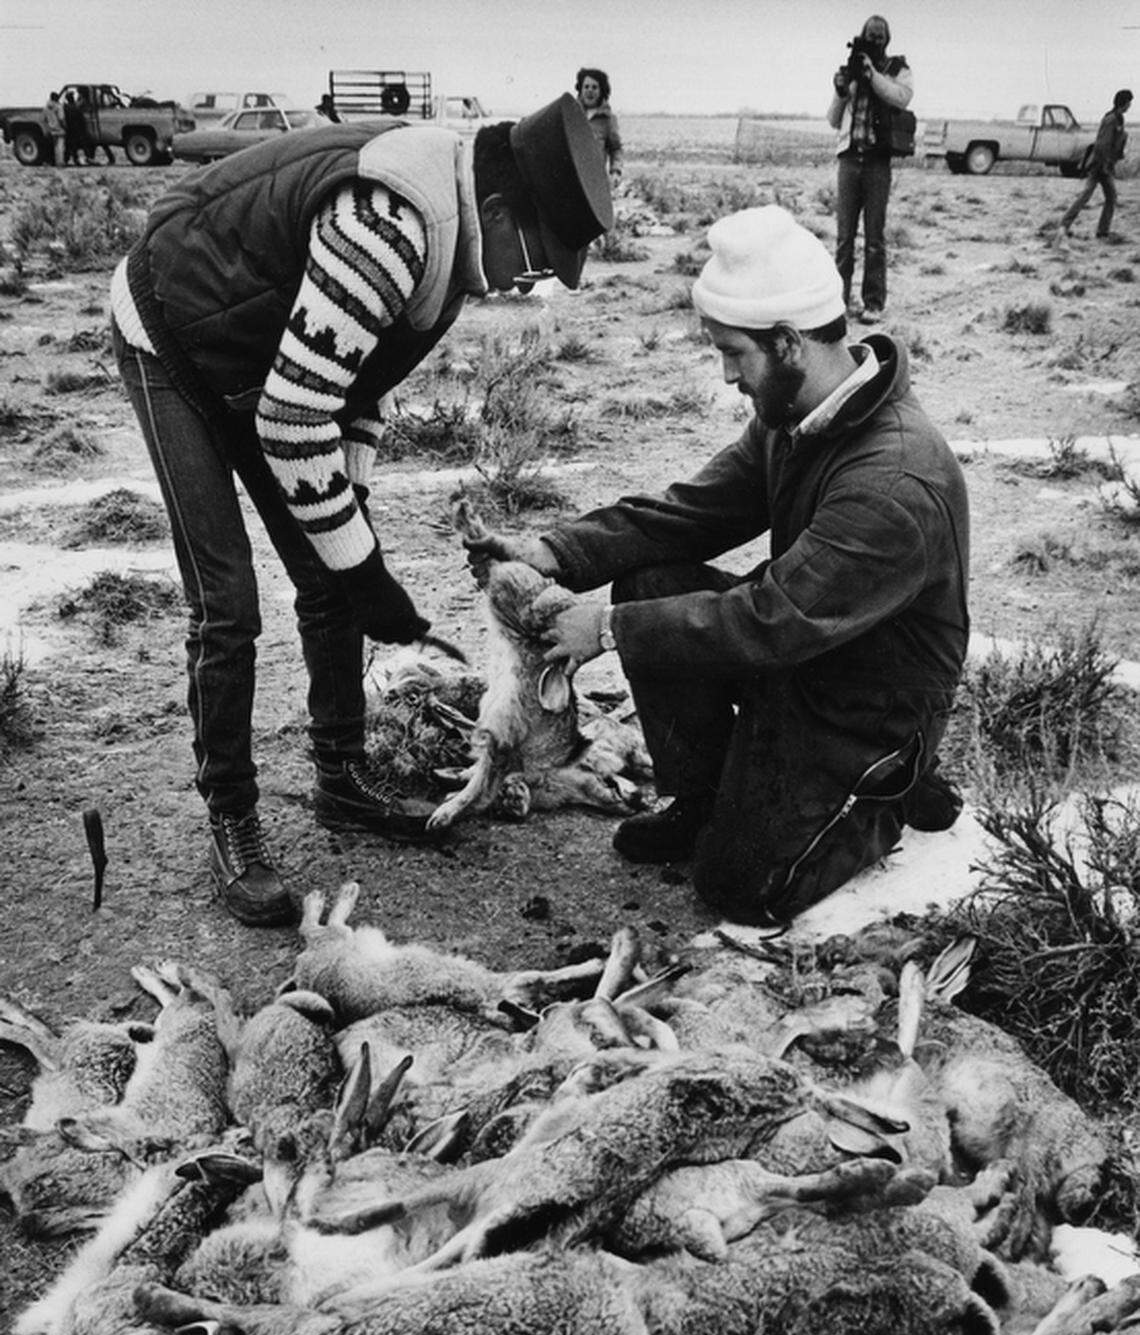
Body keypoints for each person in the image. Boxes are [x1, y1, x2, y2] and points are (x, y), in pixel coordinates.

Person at [109, 94, 612, 928]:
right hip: (173, 333)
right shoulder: (392, 229)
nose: (534, 276)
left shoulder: (453, 245)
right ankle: (232, 816)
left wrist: (354, 519)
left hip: (267, 361)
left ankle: (341, 777)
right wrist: (368, 569)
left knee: (330, 569)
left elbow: (357, 387)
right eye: (538, 251)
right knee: (228, 603)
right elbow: (294, 416)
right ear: (494, 208)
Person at [472, 205, 969, 930]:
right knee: (651, 580)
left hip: (867, 702)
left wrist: (606, 629)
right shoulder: (797, 417)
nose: (729, 375)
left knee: (743, 888)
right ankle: (705, 797)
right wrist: (553, 552)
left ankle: (889, 791)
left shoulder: (894, 481)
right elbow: (692, 512)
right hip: (809, 649)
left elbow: (772, 619)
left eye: (735, 354)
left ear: (790, 342)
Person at [826, 13, 913, 325]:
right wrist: (841, 90)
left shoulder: (896, 69)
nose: (874, 39)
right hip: (849, 160)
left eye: (879, 35)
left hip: (877, 163)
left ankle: (873, 303)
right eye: (870, 34)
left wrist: (872, 74)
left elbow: (901, 97)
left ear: (887, 40)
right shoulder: (851, 71)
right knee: (844, 237)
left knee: (874, 237)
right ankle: (838, 302)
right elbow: (834, 119)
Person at [1060, 89, 1133, 242]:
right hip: (1100, 165)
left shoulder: (1117, 119)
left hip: (1104, 166)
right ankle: (1067, 226)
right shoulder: (1111, 119)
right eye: (1129, 102)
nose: (1130, 105)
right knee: (1091, 196)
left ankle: (1100, 231)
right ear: (1124, 103)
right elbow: (1102, 145)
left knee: (1106, 197)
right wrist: (1104, 165)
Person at [575, 67, 623, 185]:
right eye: (586, 86)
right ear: (580, 89)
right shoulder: (570, 114)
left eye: (594, 87)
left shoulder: (608, 119)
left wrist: (615, 171)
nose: (590, 90)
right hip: (570, 176)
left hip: (594, 181)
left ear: (602, 91)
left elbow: (616, 148)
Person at [61, 90, 87, 166]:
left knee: (69, 146)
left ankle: (66, 160)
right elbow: (82, 120)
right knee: (75, 146)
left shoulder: (65, 108)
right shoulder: (76, 108)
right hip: (77, 130)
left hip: (69, 129)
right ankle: (76, 160)